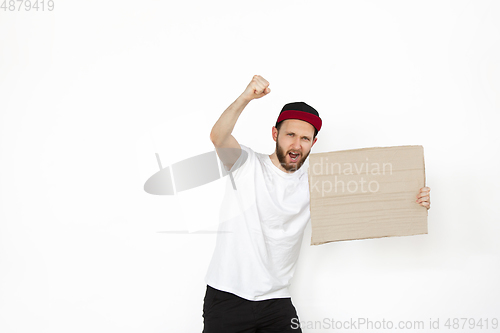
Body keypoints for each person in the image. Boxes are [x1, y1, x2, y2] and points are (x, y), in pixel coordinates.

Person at [203, 75, 431, 333]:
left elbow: (370, 204)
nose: (296, 145)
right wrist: (245, 97)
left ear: (314, 142)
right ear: (275, 134)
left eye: (305, 138)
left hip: (276, 302)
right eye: (290, 135)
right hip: (227, 298)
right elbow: (218, 137)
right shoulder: (246, 164)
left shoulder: (317, 182)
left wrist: (414, 199)